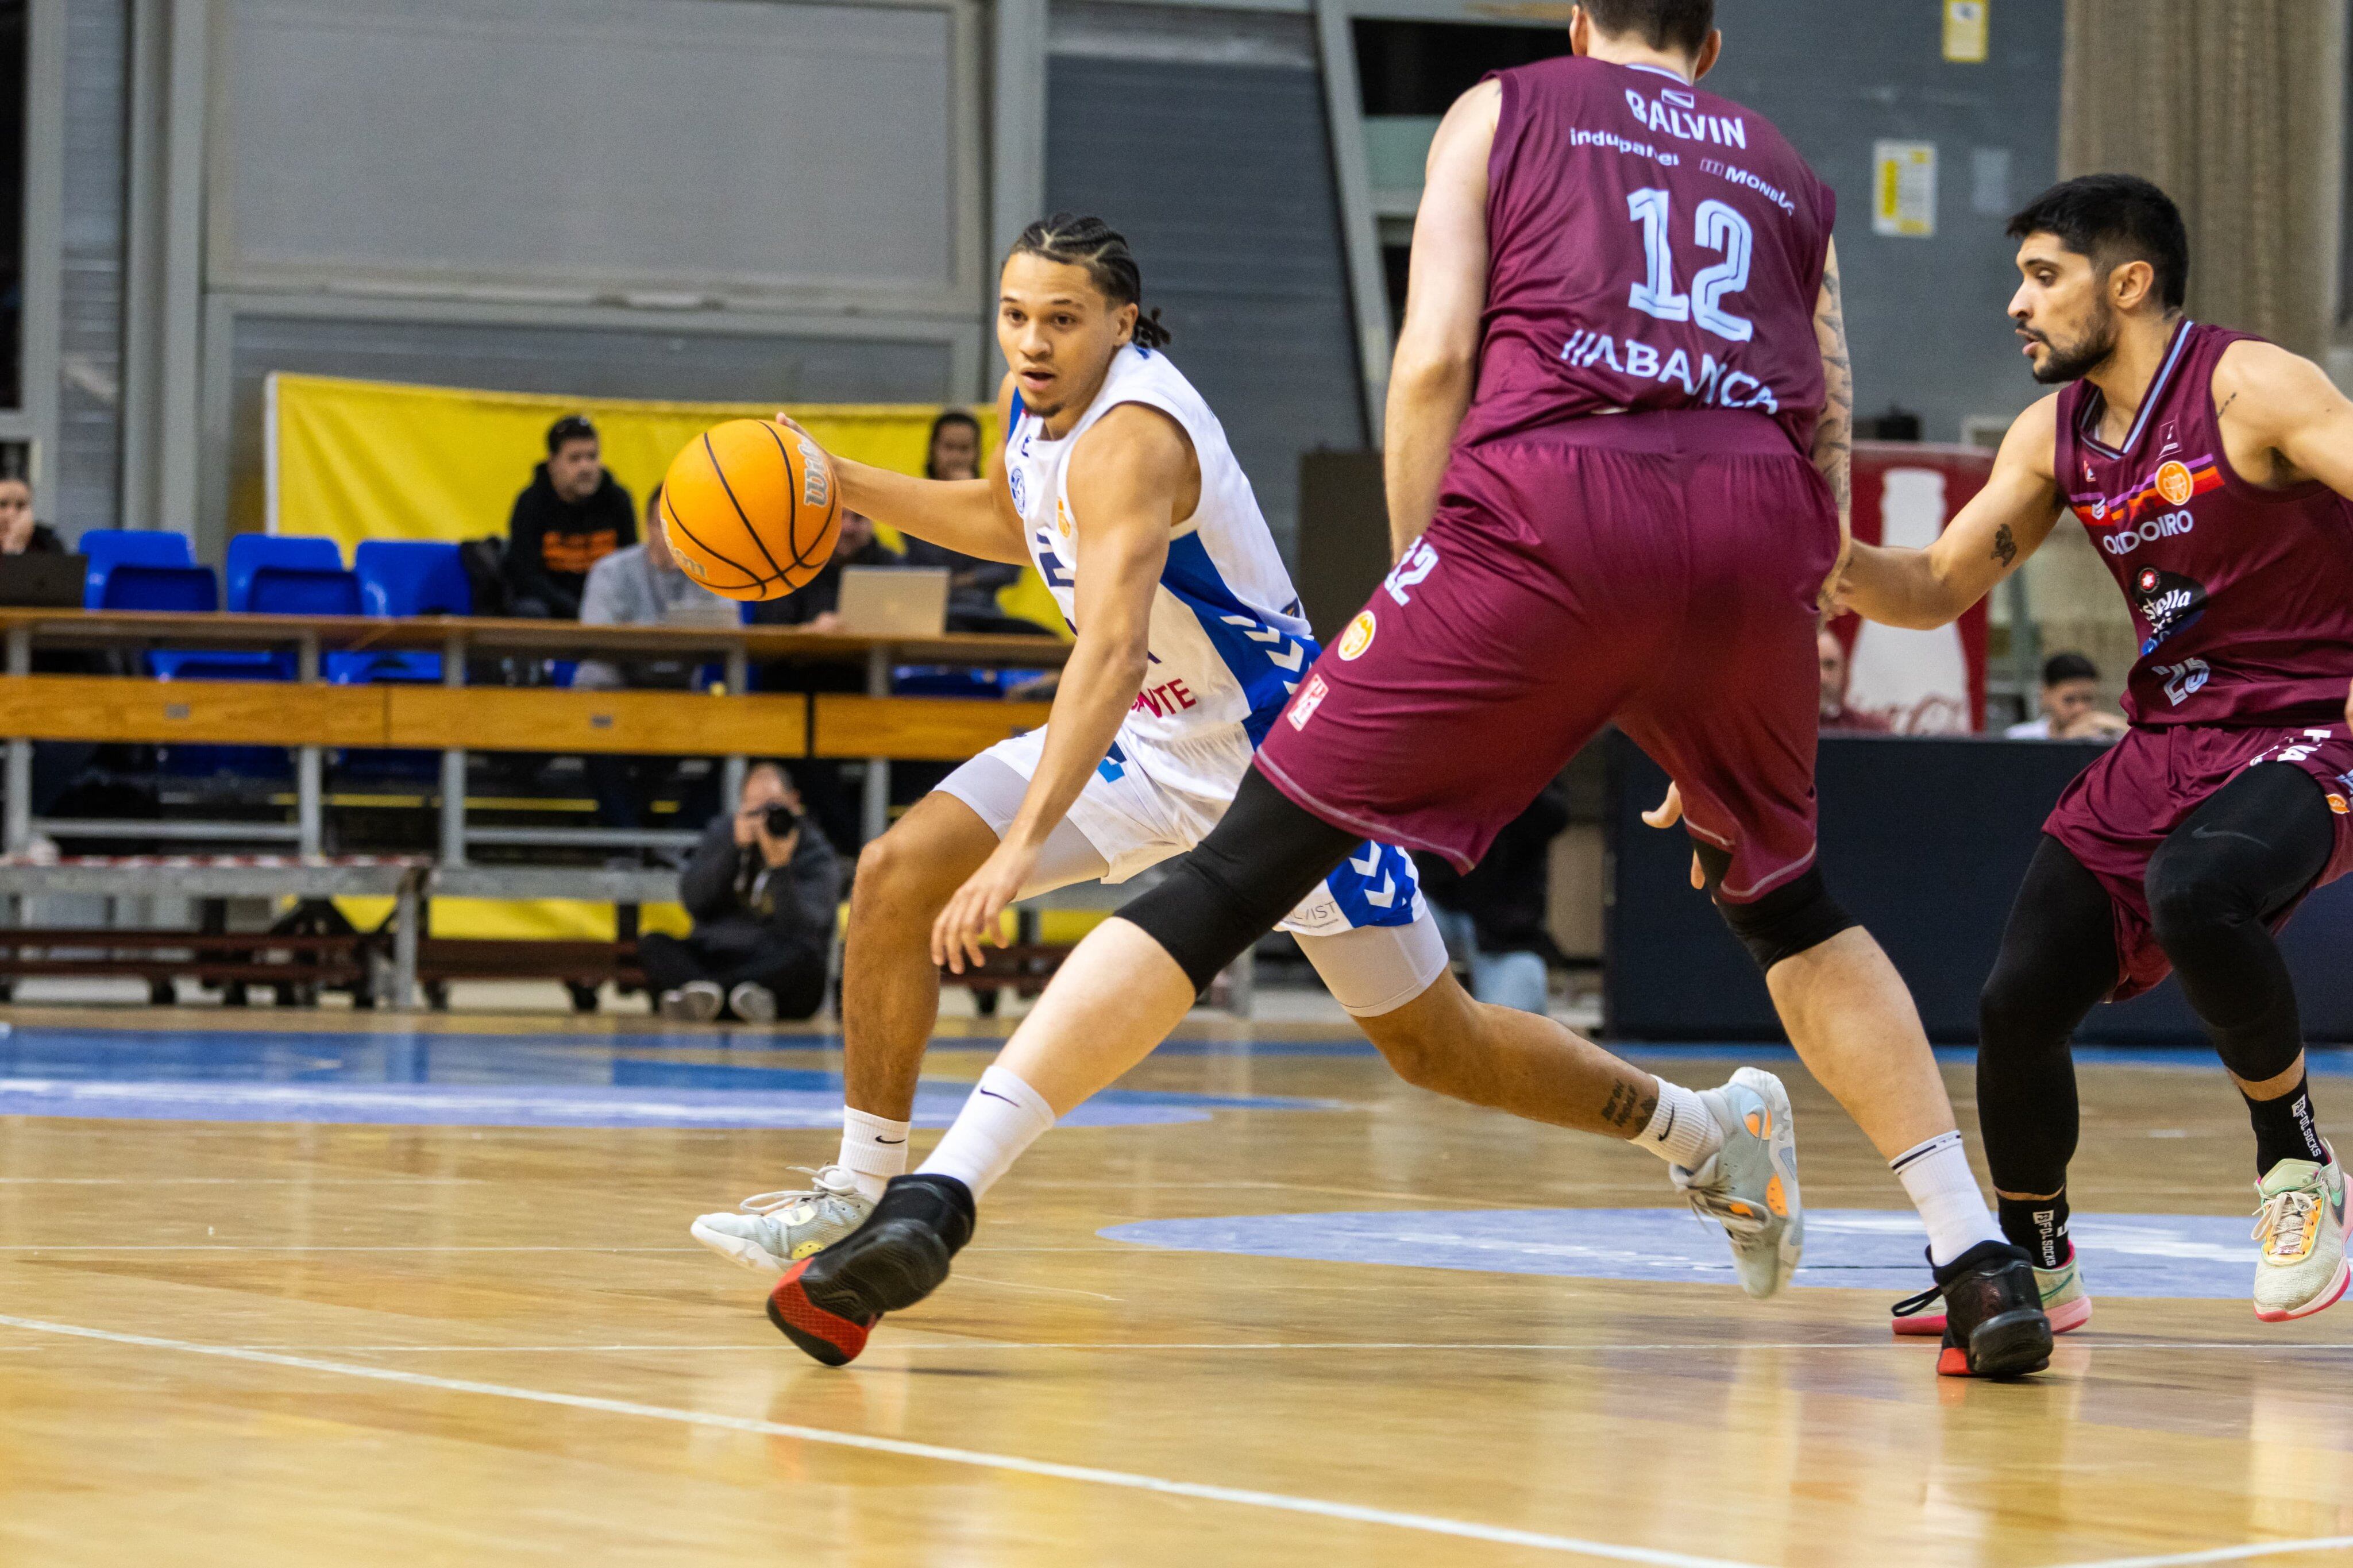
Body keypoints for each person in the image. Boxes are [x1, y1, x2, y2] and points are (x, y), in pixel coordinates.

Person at [767, 3, 2057, 1382]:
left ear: (1576, 20)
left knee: (1241, 888)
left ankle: (934, 1199)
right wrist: (1768, 624)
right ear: (1714, 43)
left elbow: (1436, 354)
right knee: (1786, 901)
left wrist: (1421, 586)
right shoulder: (1789, 173)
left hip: (1547, 516)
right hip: (1755, 528)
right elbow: (1825, 414)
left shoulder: (1509, 107)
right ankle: (1977, 1257)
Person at [699, 211, 1792, 1328]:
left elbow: (1113, 651)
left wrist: (1021, 844)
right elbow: (1010, 514)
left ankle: (1705, 1132)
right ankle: (859, 1191)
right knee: (893, 875)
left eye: (1061, 321)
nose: (1031, 343)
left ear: (1121, 322)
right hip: (1152, 743)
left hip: (1286, 761)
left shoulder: (1135, 435)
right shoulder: (1037, 410)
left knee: (1435, 1046)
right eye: (1015, 317)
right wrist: (841, 482)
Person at [1841, 173, 2353, 1328]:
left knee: (2196, 885)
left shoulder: (2250, 386)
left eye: (2040, 277)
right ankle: (2034, 1259)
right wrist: (1813, 547)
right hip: (2169, 737)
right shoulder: (2052, 434)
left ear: (2126, 284)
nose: (2014, 306)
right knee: (2018, 1000)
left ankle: (2295, 1164)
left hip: (2313, 720)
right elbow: (1927, 590)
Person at [575, 485, 732, 833]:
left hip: (678, 701)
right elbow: (597, 637)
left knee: (744, 736)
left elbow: (728, 629)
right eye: (669, 524)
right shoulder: (610, 571)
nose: (680, 535)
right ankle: (629, 840)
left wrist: (643, 634)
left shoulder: (715, 574)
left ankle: (675, 837)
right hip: (615, 696)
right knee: (593, 721)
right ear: (650, 528)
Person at [640, 762, 840, 1023]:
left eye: (772, 806)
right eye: (754, 808)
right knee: (653, 944)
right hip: (717, 954)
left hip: (772, 959)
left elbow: (805, 929)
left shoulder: (815, 850)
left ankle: (708, 997)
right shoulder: (723, 833)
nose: (762, 817)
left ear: (793, 802)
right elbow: (694, 901)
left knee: (807, 960)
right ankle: (739, 1000)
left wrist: (781, 868)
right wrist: (732, 851)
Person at [900, 410, 1032, 632]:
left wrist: (973, 501)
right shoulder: (913, 502)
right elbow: (931, 563)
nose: (957, 457)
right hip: (929, 614)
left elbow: (1010, 569)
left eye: (964, 449)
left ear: (977, 453)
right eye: (949, 448)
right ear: (933, 450)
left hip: (983, 612)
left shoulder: (996, 504)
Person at [503, 414, 636, 619]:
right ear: (553, 463)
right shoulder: (531, 503)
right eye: (575, 458)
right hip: (553, 609)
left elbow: (630, 566)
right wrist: (578, 611)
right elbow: (525, 576)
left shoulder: (618, 500)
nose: (586, 467)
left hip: (607, 607)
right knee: (529, 611)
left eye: (592, 457)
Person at [750, 509, 902, 631]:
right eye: (839, 516)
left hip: (873, 665)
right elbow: (765, 632)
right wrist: (810, 632)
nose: (847, 528)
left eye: (858, 517)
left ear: (873, 523)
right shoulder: (790, 565)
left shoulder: (889, 565)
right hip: (802, 665)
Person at [2004, 651, 2127, 740]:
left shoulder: (2106, 739)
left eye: (2087, 699)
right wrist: (2065, 741)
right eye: (2069, 700)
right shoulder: (2020, 739)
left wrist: (2119, 725)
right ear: (2046, 695)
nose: (2080, 708)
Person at [1818, 628, 1892, 733]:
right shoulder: (1787, 732)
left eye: (1830, 665)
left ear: (1844, 672)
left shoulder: (1871, 731)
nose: (1822, 677)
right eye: (1811, 665)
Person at [0, 476, 60, 555]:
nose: (12, 513)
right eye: (3, 505)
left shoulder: (47, 542)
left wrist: (17, 549)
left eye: (20, 505)